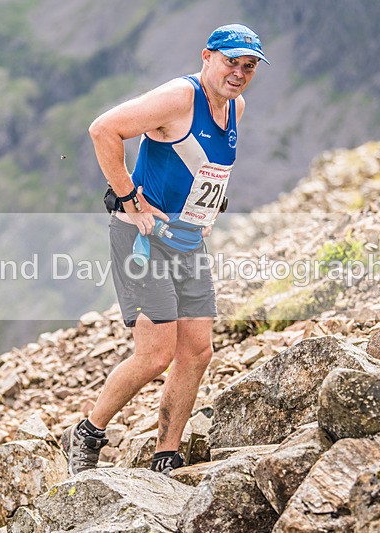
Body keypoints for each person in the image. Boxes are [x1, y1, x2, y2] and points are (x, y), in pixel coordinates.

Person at [62, 23, 268, 475]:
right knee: (155, 354)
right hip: (143, 240)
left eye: (248, 66)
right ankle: (87, 432)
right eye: (231, 62)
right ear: (207, 56)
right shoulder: (180, 97)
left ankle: (165, 454)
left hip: (188, 241)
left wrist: (207, 209)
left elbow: (207, 167)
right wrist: (129, 199)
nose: (239, 73)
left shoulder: (236, 106)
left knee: (197, 351)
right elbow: (104, 130)